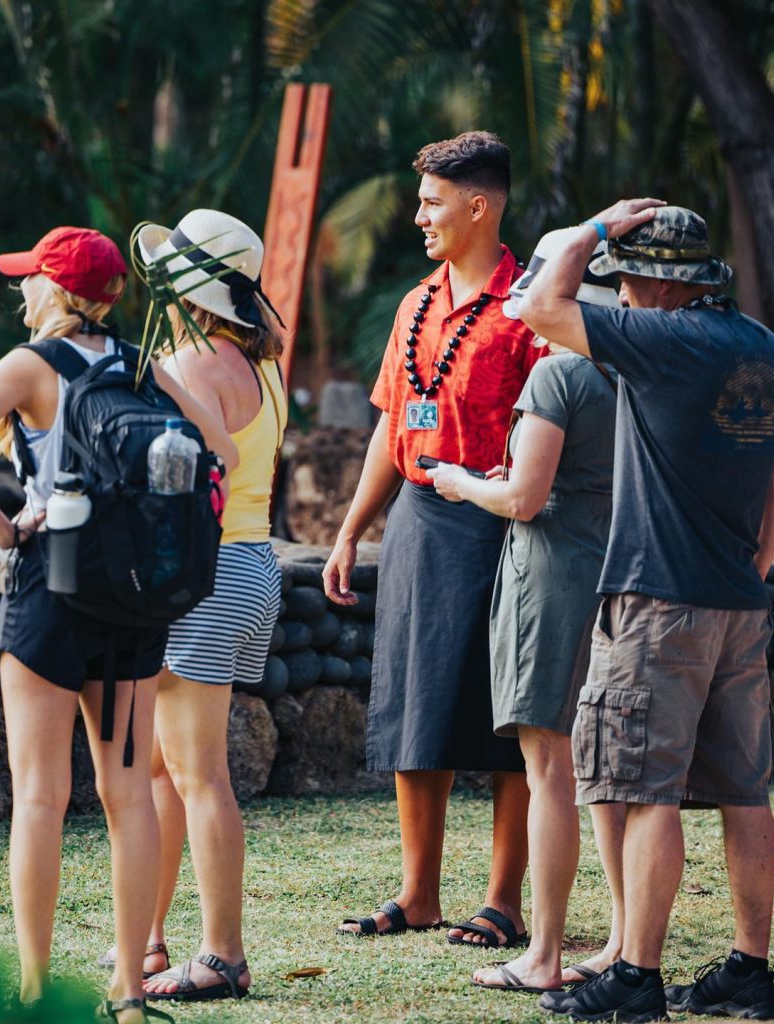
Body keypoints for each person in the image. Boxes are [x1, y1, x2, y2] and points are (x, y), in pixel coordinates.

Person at [0, 226, 238, 1024]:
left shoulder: (35, 364)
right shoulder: (143, 364)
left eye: (29, 278)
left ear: (58, 290)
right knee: (127, 793)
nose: (20, 290)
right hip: (133, 599)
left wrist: (4, 533)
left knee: (39, 795)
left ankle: (34, 989)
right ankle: (129, 992)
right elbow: (222, 455)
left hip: (48, 591)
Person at [518, 202, 774, 1023]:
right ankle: (750, 970)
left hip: (658, 602)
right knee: (745, 791)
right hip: (737, 604)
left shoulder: (664, 340)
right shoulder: (765, 347)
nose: (621, 297)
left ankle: (636, 977)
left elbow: (535, 303)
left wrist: (596, 228)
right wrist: (755, 565)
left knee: (647, 792)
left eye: (626, 281)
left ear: (651, 281)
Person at [324, 131, 542, 946]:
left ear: (479, 206)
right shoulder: (416, 305)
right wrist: (352, 530)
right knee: (415, 705)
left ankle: (505, 901)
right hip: (417, 518)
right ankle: (418, 894)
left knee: (505, 713)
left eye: (432, 202)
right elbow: (392, 423)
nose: (418, 215)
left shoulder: (530, 310)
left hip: (504, 525)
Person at [427, 231, 621, 995]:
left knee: (550, 770)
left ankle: (542, 951)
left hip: (554, 579)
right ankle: (618, 942)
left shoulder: (561, 378)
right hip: (623, 578)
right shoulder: (643, 374)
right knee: (608, 776)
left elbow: (522, 498)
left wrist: (457, 480)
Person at [104, 210, 283, 1002]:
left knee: (198, 773)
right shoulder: (262, 363)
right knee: (161, 769)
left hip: (206, 575)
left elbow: (195, 464)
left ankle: (223, 954)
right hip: (255, 565)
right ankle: (151, 938)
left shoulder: (186, 365)